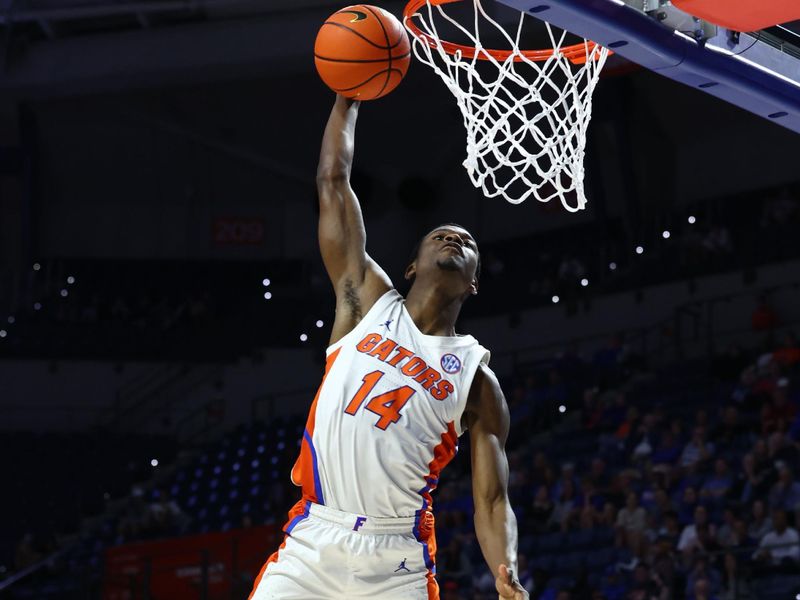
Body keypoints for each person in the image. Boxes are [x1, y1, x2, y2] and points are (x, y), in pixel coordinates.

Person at [248, 96, 527, 599]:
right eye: (440, 235)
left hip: (396, 559)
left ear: (473, 284)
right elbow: (332, 183)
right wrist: (345, 99)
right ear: (410, 267)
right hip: (315, 539)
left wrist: (504, 568)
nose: (453, 239)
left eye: (466, 243)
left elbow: (492, 498)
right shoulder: (365, 303)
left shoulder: (476, 379)